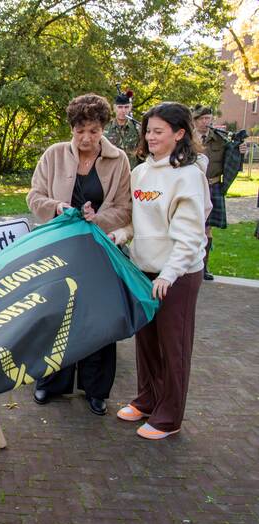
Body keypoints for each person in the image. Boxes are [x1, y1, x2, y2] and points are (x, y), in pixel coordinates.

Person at [27, 93, 132, 416]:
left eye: (94, 131)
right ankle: (50, 382)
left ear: (103, 128)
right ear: (71, 128)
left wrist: (95, 219)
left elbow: (125, 208)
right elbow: (34, 196)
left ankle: (96, 389)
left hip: (100, 249)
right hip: (61, 247)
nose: (86, 138)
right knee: (57, 315)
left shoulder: (120, 160)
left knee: (99, 317)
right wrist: (59, 208)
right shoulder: (53, 155)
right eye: (80, 131)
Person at [110, 102, 210, 440]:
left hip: (177, 276)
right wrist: (120, 234)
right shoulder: (140, 173)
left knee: (173, 345)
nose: (150, 137)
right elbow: (136, 223)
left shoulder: (188, 176)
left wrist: (169, 274)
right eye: (148, 131)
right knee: (147, 341)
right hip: (144, 271)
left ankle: (169, 417)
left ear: (179, 134)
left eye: (158, 132)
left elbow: (190, 235)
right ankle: (148, 399)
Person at [192, 106, 248, 280]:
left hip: (212, 186)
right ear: (195, 120)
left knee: (207, 229)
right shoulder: (185, 138)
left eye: (208, 118)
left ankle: (204, 268)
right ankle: (189, 267)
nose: (206, 122)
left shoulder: (220, 140)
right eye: (202, 118)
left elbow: (232, 159)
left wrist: (241, 151)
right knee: (191, 227)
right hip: (191, 187)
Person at [105, 88, 140, 168]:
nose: (123, 111)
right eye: (120, 107)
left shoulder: (137, 128)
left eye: (126, 107)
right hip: (111, 172)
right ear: (114, 108)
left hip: (131, 172)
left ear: (130, 107)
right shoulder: (105, 128)